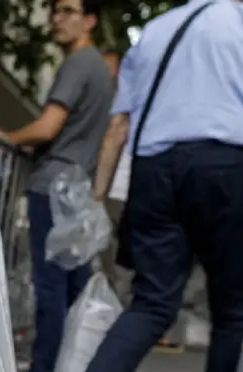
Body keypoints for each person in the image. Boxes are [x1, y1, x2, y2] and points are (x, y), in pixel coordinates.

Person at [53, 0, 243, 372]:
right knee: (232, 308)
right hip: (224, 168)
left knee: (153, 301)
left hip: (154, 172)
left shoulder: (153, 32)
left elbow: (118, 126)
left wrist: (97, 200)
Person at [0, 0, 113, 372]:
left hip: (56, 187)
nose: (56, 19)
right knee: (73, 286)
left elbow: (48, 127)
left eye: (68, 10)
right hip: (77, 189)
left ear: (90, 20)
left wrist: (2, 137)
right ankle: (71, 368)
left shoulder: (79, 63)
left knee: (50, 284)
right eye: (55, 11)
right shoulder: (99, 68)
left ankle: (43, 371)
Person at [99, 48, 132, 303]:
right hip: (114, 191)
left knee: (115, 261)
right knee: (107, 259)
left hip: (119, 191)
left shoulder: (124, 99)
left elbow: (114, 136)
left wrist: (98, 192)